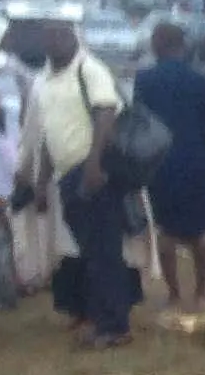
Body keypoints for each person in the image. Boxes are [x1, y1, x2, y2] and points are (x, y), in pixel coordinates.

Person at [30, 18, 136, 348]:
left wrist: (93, 164)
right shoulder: (43, 81)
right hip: (66, 177)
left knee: (104, 252)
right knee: (89, 252)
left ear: (74, 37)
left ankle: (115, 327)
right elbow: (48, 136)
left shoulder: (90, 69)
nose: (55, 41)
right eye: (49, 36)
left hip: (93, 173)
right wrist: (41, 182)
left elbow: (106, 113)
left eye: (62, 35)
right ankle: (102, 319)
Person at [134, 20, 205, 306]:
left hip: (160, 165)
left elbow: (139, 125)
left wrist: (138, 167)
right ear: (182, 46)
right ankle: (200, 292)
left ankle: (174, 294)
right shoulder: (202, 81)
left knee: (166, 231)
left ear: (156, 47)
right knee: (200, 230)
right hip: (197, 164)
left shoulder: (145, 80)